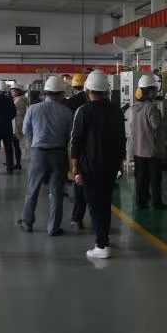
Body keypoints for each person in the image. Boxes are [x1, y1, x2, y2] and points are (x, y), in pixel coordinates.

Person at [70, 70, 126, 259]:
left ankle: (101, 245)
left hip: (90, 167)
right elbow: (122, 140)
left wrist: (75, 167)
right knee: (105, 203)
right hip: (110, 166)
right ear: (107, 91)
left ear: (88, 91)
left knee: (95, 205)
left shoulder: (83, 111)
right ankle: (104, 238)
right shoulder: (116, 111)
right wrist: (120, 163)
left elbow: (76, 142)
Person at [18, 76, 74, 236]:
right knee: (56, 192)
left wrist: (36, 139)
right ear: (61, 94)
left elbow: (25, 131)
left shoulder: (33, 109)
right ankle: (53, 228)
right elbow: (70, 136)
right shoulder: (67, 112)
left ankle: (27, 222)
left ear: (45, 93)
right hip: (59, 154)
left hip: (39, 153)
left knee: (32, 189)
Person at [130, 74, 166, 210]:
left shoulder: (135, 107)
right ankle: (157, 203)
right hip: (151, 150)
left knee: (141, 178)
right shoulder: (151, 107)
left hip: (138, 149)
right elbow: (155, 125)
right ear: (150, 92)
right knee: (155, 179)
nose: (156, 93)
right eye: (155, 90)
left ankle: (141, 201)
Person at [65, 73, 88, 229]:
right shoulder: (108, 107)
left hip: (77, 147)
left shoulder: (71, 103)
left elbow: (70, 129)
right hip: (98, 151)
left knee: (79, 182)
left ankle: (77, 217)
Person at [10, 83, 28, 170]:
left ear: (19, 92)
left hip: (17, 124)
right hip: (16, 123)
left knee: (16, 145)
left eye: (14, 91)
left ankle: (17, 164)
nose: (12, 93)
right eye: (11, 91)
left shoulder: (19, 100)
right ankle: (14, 162)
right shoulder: (18, 99)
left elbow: (11, 109)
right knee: (15, 145)